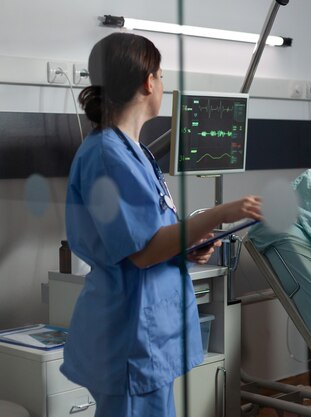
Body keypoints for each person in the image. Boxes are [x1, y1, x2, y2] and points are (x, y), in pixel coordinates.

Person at [61, 32, 262, 417]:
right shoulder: (108, 155)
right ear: (148, 82)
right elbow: (141, 252)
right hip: (130, 333)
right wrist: (218, 214)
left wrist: (189, 244)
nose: (163, 84)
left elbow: (152, 234)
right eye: (162, 75)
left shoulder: (132, 151)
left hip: (146, 330)